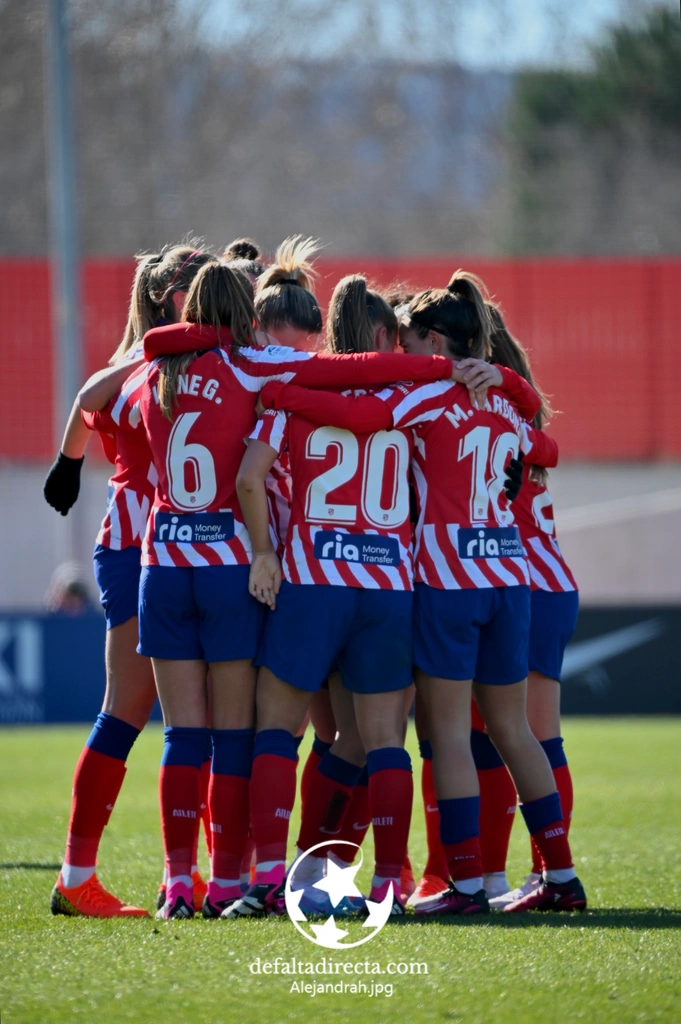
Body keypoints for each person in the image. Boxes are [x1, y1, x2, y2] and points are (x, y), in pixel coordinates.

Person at [132, 260, 465, 919]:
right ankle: (388, 883)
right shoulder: (411, 396)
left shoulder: (266, 387)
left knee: (270, 734)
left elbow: (247, 475)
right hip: (386, 583)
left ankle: (260, 877)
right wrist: (469, 373)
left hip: (302, 580)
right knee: (384, 742)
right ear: (384, 336)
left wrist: (264, 552)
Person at [44, 244, 214, 918]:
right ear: (171, 297)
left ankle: (202, 875)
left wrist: (69, 461)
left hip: (177, 547)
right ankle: (77, 877)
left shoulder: (170, 361)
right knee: (130, 707)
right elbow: (88, 398)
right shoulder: (146, 363)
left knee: (197, 713)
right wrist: (66, 464)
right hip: (140, 544)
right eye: (200, 287)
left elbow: (87, 403)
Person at [481, 306, 580, 908]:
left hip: (531, 587)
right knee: (502, 737)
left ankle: (549, 873)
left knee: (537, 738)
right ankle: (506, 874)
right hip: (537, 583)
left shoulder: (492, 414)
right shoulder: (517, 413)